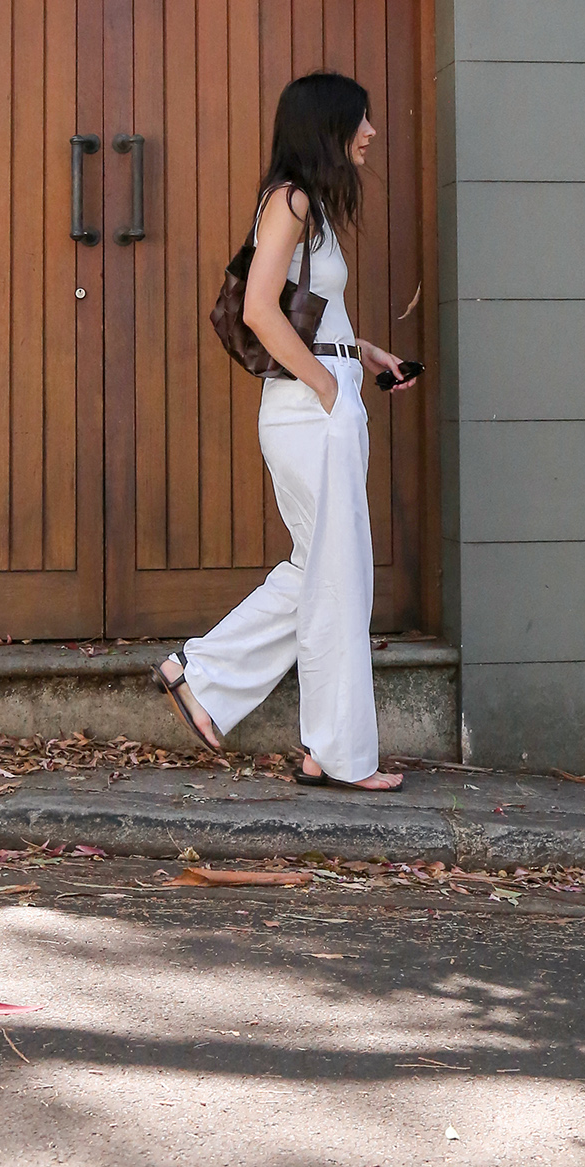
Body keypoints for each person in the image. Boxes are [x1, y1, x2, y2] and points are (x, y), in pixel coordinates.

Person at [154, 71, 419, 790]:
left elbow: (310, 313)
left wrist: (365, 355)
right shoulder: (290, 203)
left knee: (324, 573)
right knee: (337, 580)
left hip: (324, 403)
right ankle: (336, 754)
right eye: (360, 121)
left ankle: (204, 677)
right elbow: (260, 313)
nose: (369, 133)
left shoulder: (315, 209)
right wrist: (329, 386)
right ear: (326, 127)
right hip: (311, 412)